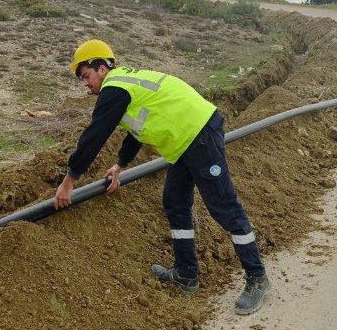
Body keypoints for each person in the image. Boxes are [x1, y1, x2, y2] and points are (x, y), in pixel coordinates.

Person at [54, 39, 270, 315]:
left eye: (86, 75)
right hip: (184, 142)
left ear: (102, 68)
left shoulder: (114, 88)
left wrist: (69, 180)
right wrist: (120, 165)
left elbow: (95, 135)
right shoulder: (125, 84)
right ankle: (186, 273)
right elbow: (136, 127)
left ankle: (257, 277)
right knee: (175, 202)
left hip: (199, 134)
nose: (86, 83)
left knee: (224, 207)